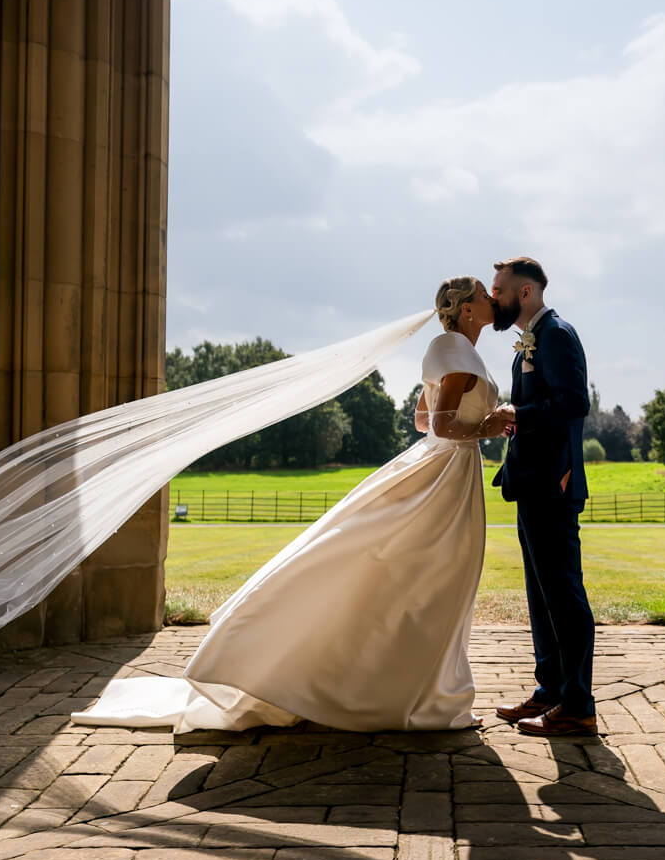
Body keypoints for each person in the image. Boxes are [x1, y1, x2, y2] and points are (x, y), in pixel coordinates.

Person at [70, 276, 512, 733]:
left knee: (429, 576)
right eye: (483, 294)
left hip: (444, 470)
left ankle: (420, 690)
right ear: (466, 309)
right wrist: (491, 424)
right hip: (446, 474)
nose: (489, 300)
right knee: (437, 577)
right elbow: (440, 426)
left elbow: (422, 418)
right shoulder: (457, 351)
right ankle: (423, 694)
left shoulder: (449, 350)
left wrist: (477, 423)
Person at [487, 256, 597, 737]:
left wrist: (520, 412)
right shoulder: (528, 341)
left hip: (555, 482)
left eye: (499, 290)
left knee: (565, 595)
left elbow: (575, 402)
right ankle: (550, 689)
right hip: (531, 482)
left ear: (525, 293)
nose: (494, 299)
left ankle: (578, 704)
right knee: (541, 595)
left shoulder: (556, 333)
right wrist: (516, 415)